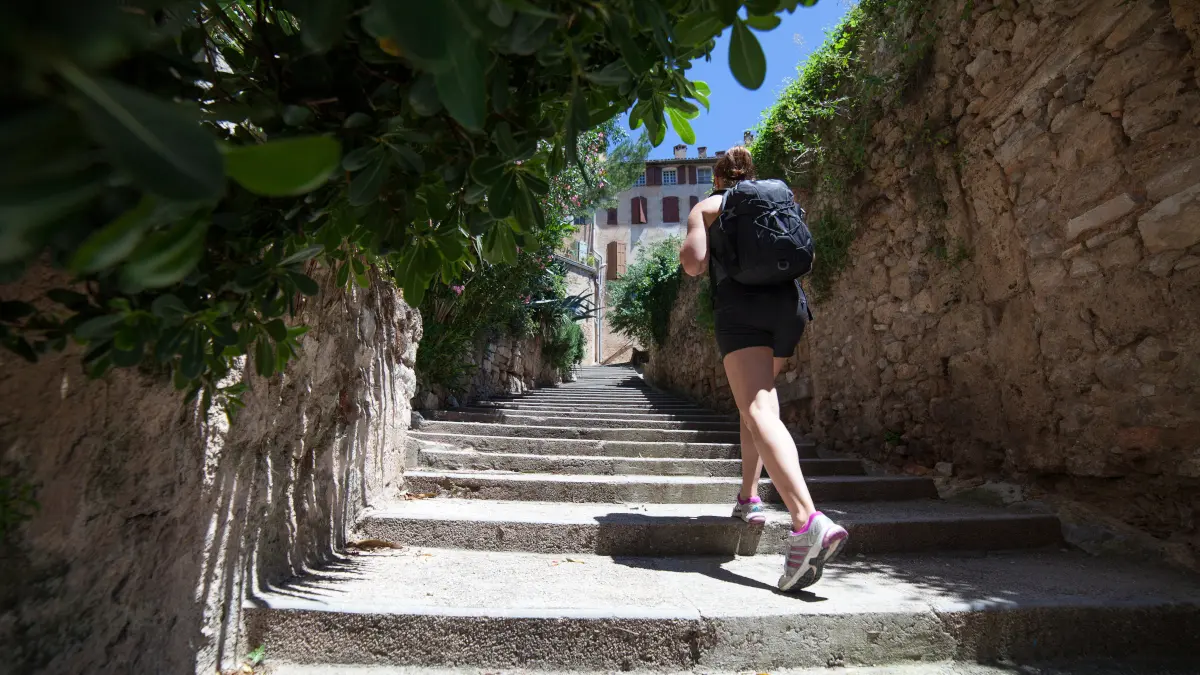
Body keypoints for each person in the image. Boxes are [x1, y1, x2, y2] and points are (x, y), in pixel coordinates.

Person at [679, 146, 848, 592]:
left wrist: (698, 233)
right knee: (754, 404)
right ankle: (748, 497)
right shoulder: (778, 196)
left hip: (742, 308)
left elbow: (695, 266)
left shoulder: (709, 205)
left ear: (718, 179)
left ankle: (806, 519)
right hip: (788, 306)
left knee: (755, 407)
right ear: (750, 175)